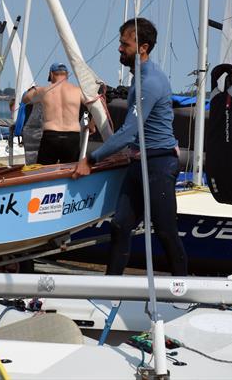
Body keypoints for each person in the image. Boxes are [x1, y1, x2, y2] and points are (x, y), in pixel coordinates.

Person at [72, 18, 188, 276]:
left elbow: (128, 132)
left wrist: (91, 160)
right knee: (120, 225)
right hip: (139, 162)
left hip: (158, 163)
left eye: (125, 44)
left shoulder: (150, 82)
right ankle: (111, 287)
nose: (119, 49)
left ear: (143, 47)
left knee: (166, 230)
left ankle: (183, 288)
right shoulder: (139, 76)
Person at [22, 62, 83, 165]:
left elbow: (25, 99)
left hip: (51, 136)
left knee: (44, 172)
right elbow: (95, 104)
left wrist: (33, 89)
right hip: (72, 136)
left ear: (51, 74)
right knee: (71, 170)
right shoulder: (78, 91)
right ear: (67, 74)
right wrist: (92, 124)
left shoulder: (43, 91)